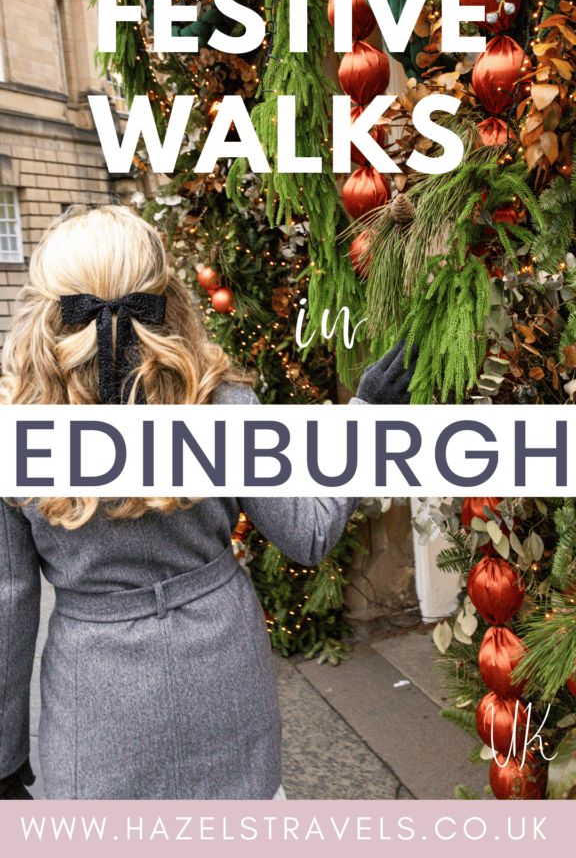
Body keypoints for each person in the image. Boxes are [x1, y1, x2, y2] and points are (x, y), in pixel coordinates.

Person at [0, 204, 417, 801]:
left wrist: (4, 759)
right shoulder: (217, 402)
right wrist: (369, 417)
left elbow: (8, 607)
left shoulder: (16, 428)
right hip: (223, 685)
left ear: (50, 308)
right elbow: (310, 532)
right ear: (165, 296)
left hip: (97, 712)